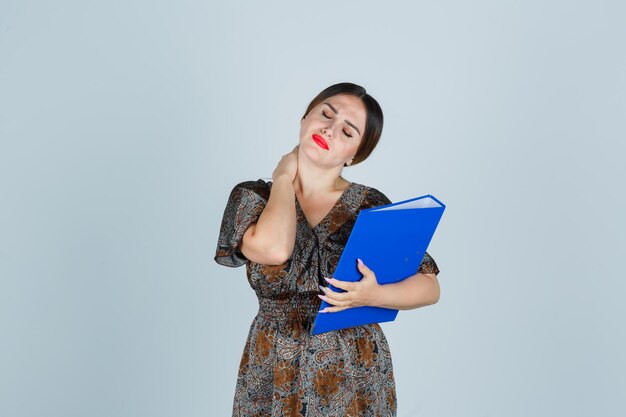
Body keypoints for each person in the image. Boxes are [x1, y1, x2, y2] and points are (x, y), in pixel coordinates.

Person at [214, 82, 441, 416]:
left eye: (347, 132)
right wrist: (283, 178)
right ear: (306, 116)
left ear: (355, 155)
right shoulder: (252, 197)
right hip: (274, 365)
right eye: (326, 114)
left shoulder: (370, 205)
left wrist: (371, 295)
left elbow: (430, 286)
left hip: (354, 367)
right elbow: (275, 249)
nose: (330, 130)